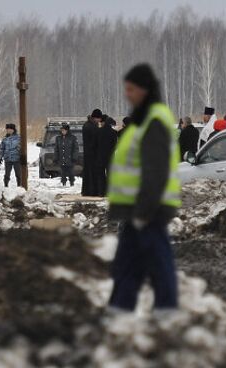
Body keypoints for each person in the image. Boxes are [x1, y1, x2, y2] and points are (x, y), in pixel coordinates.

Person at [107, 63, 181, 312]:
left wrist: (144, 210)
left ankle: (167, 309)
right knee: (127, 262)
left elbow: (155, 171)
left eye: (131, 89)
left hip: (149, 207)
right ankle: (119, 308)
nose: (127, 94)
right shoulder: (142, 119)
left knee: (158, 259)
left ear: (144, 89)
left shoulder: (155, 120)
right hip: (135, 207)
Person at [95, 116, 118, 196]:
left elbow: (96, 144)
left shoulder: (99, 131)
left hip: (100, 156)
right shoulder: (113, 132)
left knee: (101, 175)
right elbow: (115, 145)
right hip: (110, 156)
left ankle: (101, 192)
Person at [82, 109, 101, 196]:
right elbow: (95, 140)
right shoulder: (92, 127)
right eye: (99, 118)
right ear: (95, 118)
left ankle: (87, 191)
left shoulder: (87, 125)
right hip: (92, 153)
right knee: (92, 173)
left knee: (88, 173)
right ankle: (92, 191)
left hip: (88, 153)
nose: (100, 120)